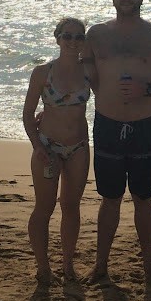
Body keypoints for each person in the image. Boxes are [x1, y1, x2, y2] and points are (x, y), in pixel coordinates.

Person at [82, 0, 151, 284]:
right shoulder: (96, 35)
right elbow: (80, 78)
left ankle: (150, 269)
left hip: (145, 126)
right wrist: (51, 108)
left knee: (143, 198)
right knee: (110, 198)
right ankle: (101, 267)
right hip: (107, 124)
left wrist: (148, 89)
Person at [22, 17, 90, 283]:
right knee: (44, 207)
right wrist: (37, 145)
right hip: (47, 147)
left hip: (79, 148)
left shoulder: (89, 71)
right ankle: (43, 268)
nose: (73, 41)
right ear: (58, 38)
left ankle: (68, 266)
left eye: (79, 36)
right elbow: (28, 114)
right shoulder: (42, 72)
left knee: (71, 207)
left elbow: (111, 95)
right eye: (67, 36)